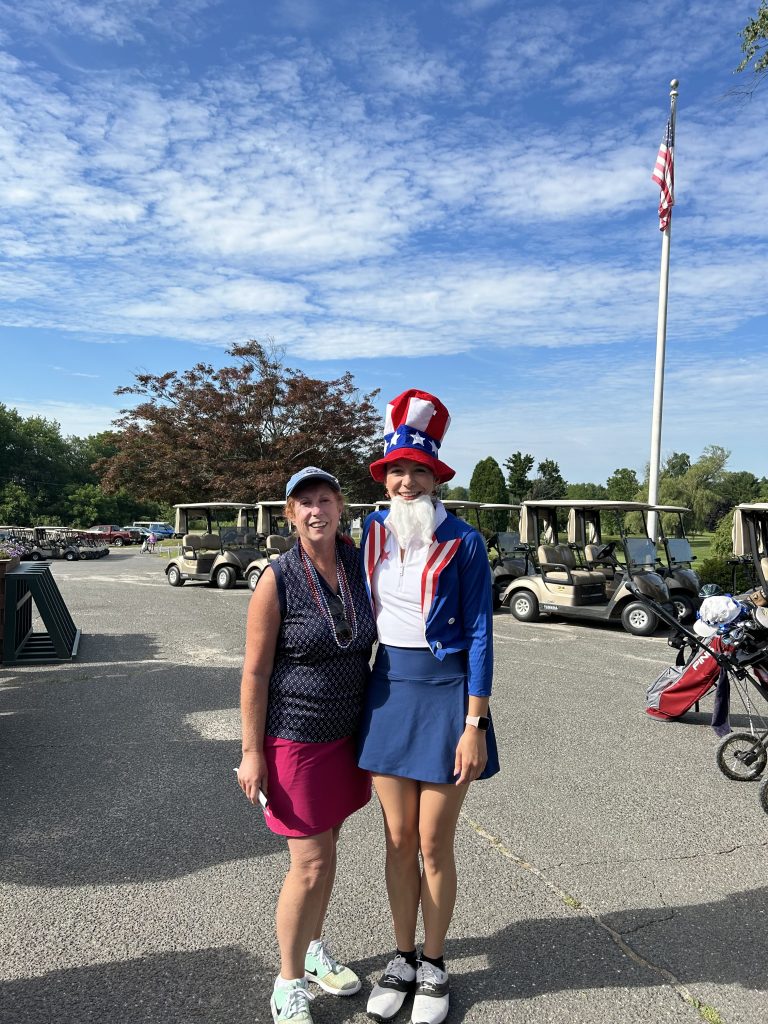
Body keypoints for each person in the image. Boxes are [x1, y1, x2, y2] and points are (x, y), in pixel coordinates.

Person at [358, 390, 499, 1024]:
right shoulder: (371, 532)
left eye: (418, 470)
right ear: (385, 478)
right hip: (387, 690)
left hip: (447, 699)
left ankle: (436, 964)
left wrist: (476, 721)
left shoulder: (465, 541)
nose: (406, 481)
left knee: (433, 841)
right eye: (397, 470)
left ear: (437, 477)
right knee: (395, 839)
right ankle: (402, 955)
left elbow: (479, 635)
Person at [238, 466, 377, 1024]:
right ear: (290, 514)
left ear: (340, 507)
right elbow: (254, 673)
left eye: (326, 499)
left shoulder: (355, 565)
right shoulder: (277, 578)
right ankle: (288, 980)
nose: (317, 510)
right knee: (310, 863)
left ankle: (314, 951)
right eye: (305, 503)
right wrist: (251, 752)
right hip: (295, 739)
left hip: (349, 734)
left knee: (328, 852)